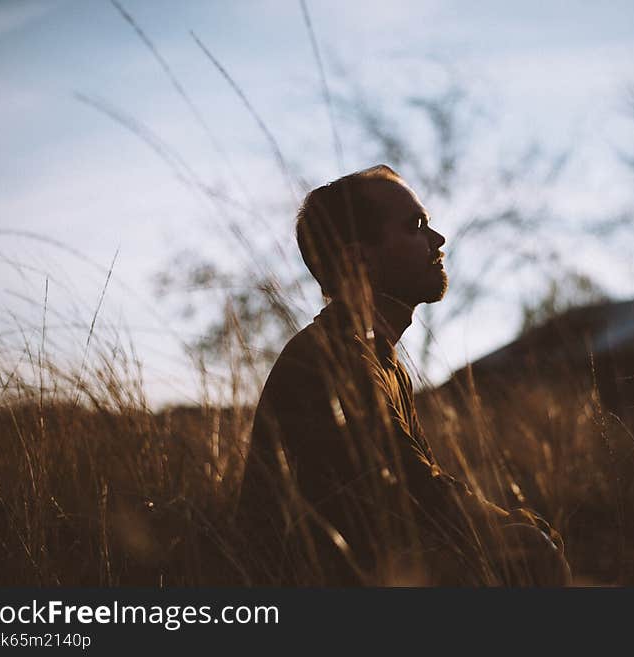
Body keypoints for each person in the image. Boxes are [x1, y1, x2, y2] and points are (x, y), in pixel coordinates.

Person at [236, 165, 571, 586]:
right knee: (527, 556)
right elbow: (415, 494)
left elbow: (420, 487)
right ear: (359, 259)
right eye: (416, 226)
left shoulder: (383, 361)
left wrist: (512, 523)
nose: (438, 240)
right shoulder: (336, 360)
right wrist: (512, 530)